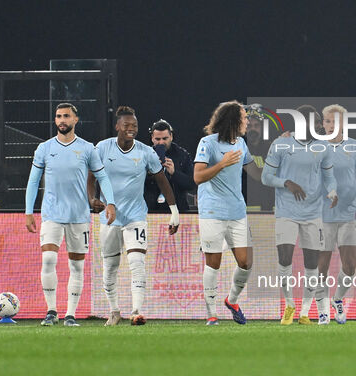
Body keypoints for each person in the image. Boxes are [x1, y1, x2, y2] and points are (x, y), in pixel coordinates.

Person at [25, 102, 116, 327]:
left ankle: (70, 314)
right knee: (48, 259)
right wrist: (28, 211)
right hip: (52, 215)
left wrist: (110, 202)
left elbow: (102, 177)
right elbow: (33, 181)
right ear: (55, 120)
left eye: (66, 116)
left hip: (78, 216)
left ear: (76, 120)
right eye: (58, 116)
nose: (62, 120)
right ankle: (51, 311)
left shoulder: (87, 148)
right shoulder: (44, 148)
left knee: (76, 266)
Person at [88, 106, 179, 326]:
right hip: (109, 218)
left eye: (135, 126)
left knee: (137, 261)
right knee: (110, 266)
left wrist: (174, 210)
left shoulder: (145, 152)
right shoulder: (102, 148)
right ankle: (114, 310)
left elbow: (162, 181)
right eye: (127, 125)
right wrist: (92, 200)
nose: (131, 129)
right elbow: (91, 178)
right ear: (117, 126)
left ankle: (137, 311)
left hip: (135, 216)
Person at [261, 105, 338, 325]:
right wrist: (286, 182)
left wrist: (332, 191)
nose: (316, 126)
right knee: (284, 258)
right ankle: (289, 305)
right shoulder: (281, 144)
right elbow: (266, 177)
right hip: (286, 211)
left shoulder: (323, 147)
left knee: (311, 263)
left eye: (317, 122)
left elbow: (329, 177)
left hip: (314, 213)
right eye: (311, 122)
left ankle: (305, 312)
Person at [193, 100, 262, 325]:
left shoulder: (241, 143)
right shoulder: (208, 143)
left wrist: (281, 160)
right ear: (232, 120)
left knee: (246, 262)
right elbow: (198, 176)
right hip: (212, 210)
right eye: (243, 117)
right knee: (213, 262)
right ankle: (211, 313)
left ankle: (232, 300)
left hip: (237, 211)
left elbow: (257, 174)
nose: (246, 122)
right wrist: (222, 164)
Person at [314, 104, 356, 325]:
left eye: (333, 122)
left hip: (349, 215)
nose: (328, 126)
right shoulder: (317, 148)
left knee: (349, 267)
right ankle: (322, 312)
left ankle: (337, 299)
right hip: (322, 216)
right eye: (326, 121)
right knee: (322, 266)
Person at [145, 119, 196, 212]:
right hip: (151, 209)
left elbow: (191, 184)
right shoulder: (145, 155)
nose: (161, 143)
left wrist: (174, 173)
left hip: (178, 208)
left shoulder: (183, 155)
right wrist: (149, 173)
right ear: (152, 138)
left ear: (171, 136)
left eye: (165, 138)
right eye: (157, 139)